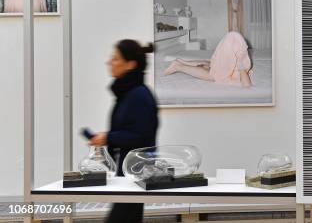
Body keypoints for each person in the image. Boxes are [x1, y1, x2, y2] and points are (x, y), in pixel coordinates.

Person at [89, 40, 158, 223]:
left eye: (115, 58)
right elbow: (129, 131)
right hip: (128, 173)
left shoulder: (138, 95)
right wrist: (106, 140)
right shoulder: (128, 93)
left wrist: (107, 137)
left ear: (130, 64)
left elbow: (141, 136)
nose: (109, 62)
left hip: (135, 174)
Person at [163, 31, 253, 87]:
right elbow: (247, 86)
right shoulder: (241, 60)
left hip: (233, 40)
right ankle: (178, 66)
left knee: (212, 65)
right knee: (215, 76)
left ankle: (181, 62)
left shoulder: (239, 53)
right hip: (234, 45)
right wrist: (241, 64)